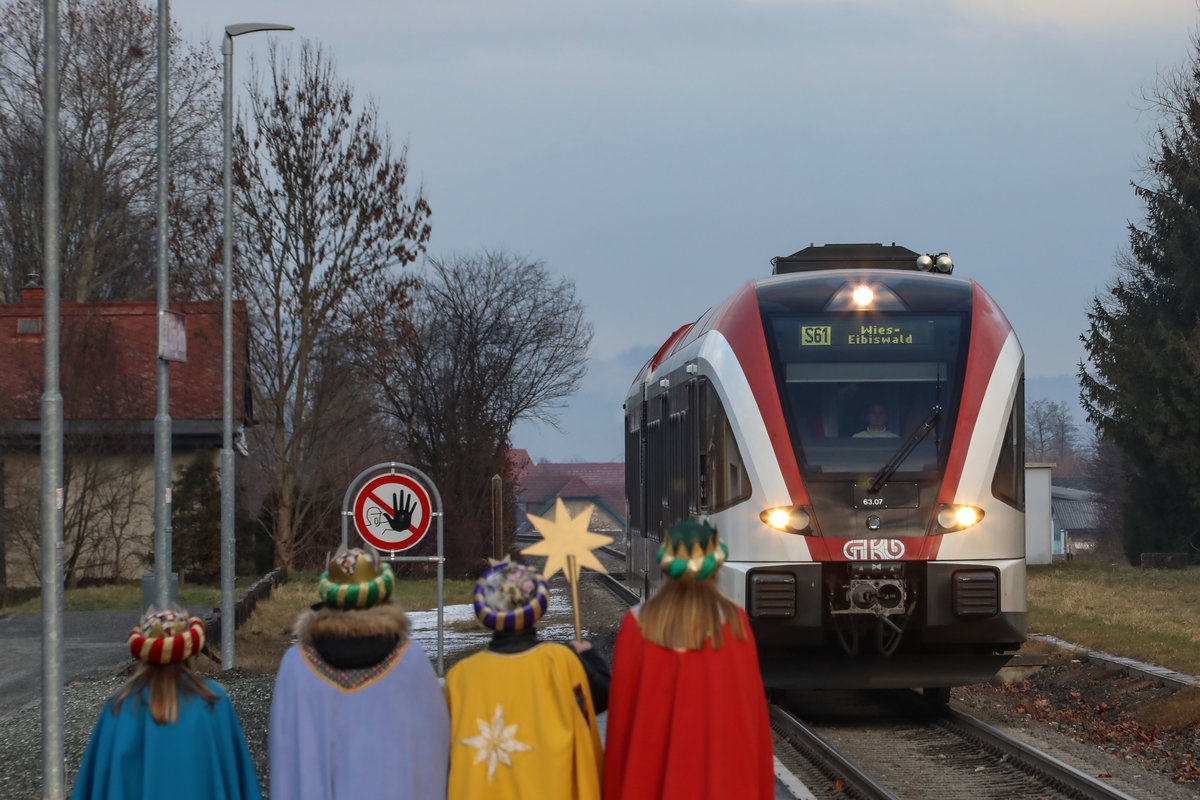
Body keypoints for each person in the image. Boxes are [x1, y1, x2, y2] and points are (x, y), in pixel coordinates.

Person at [603, 519, 774, 800]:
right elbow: (749, 721)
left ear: (666, 564)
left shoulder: (637, 624)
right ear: (716, 566)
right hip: (720, 780)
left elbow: (623, 719)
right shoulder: (733, 624)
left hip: (651, 779)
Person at [269, 546, 449, 799]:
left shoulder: (297, 665)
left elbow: (287, 761)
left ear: (329, 596)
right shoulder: (409, 662)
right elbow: (432, 754)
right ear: (381, 595)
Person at [445, 557, 608, 799]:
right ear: (537, 609)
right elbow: (602, 696)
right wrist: (589, 655)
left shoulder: (461, 676)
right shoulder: (560, 661)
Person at [71, 607, 262, 800]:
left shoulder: (119, 707)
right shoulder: (213, 702)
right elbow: (235, 777)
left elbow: (97, 783)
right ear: (190, 651)